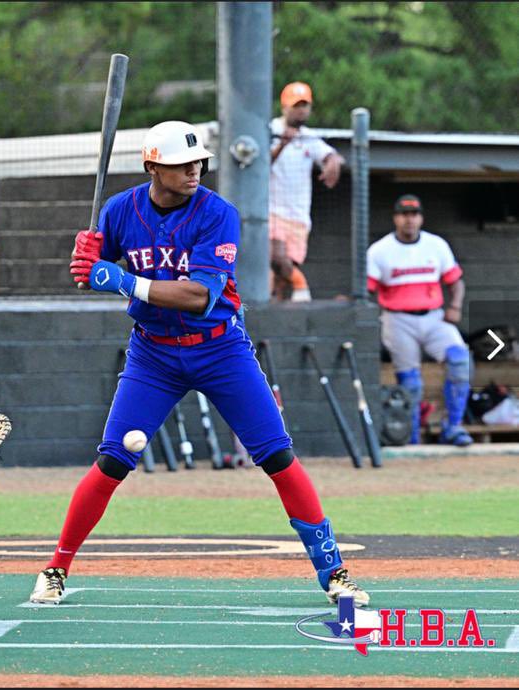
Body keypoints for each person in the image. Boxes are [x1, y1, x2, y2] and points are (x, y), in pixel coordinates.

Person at [31, 120, 369, 607]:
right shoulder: (119, 211)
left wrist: (122, 281)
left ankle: (334, 572)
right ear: (152, 167)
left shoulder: (218, 213)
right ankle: (56, 567)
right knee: (111, 461)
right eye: (179, 164)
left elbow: (198, 295)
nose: (193, 170)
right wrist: (85, 260)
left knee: (277, 455)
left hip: (219, 348)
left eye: (198, 162)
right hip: (153, 353)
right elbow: (94, 270)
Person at [366, 195, 473, 446]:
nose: (409, 219)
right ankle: (412, 436)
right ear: (396, 218)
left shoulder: (436, 245)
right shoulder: (380, 250)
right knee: (411, 382)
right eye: (403, 214)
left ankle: (452, 427)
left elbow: (455, 281)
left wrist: (455, 306)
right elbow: (367, 289)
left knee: (460, 360)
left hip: (434, 315)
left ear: (421, 218)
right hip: (397, 318)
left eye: (413, 214)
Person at [269, 81, 344, 302]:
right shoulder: (271, 130)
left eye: (305, 105)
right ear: (284, 107)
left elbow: (331, 155)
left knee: (282, 275)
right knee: (277, 257)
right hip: (273, 209)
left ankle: (276, 319)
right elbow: (259, 167)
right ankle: (302, 287)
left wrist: (333, 163)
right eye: (296, 105)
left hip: (299, 214)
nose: (301, 110)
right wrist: (282, 144)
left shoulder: (309, 136)